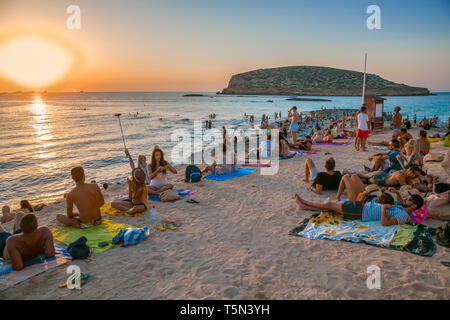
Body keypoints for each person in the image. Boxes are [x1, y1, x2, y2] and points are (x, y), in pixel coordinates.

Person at [294, 191, 422, 226]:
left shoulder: (404, 216)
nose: (406, 199)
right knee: (332, 209)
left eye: (409, 199)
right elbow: (400, 201)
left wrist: (383, 208)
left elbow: (385, 223)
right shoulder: (401, 207)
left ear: (414, 206)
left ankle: (304, 202)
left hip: (362, 211)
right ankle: (304, 206)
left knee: (329, 205)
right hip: (363, 208)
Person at [111, 150, 149, 215]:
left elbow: (131, 197)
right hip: (132, 203)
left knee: (135, 209)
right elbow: (132, 165)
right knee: (113, 203)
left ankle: (127, 211)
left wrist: (129, 186)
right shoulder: (137, 182)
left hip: (140, 205)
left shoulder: (140, 188)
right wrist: (129, 155)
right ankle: (128, 210)